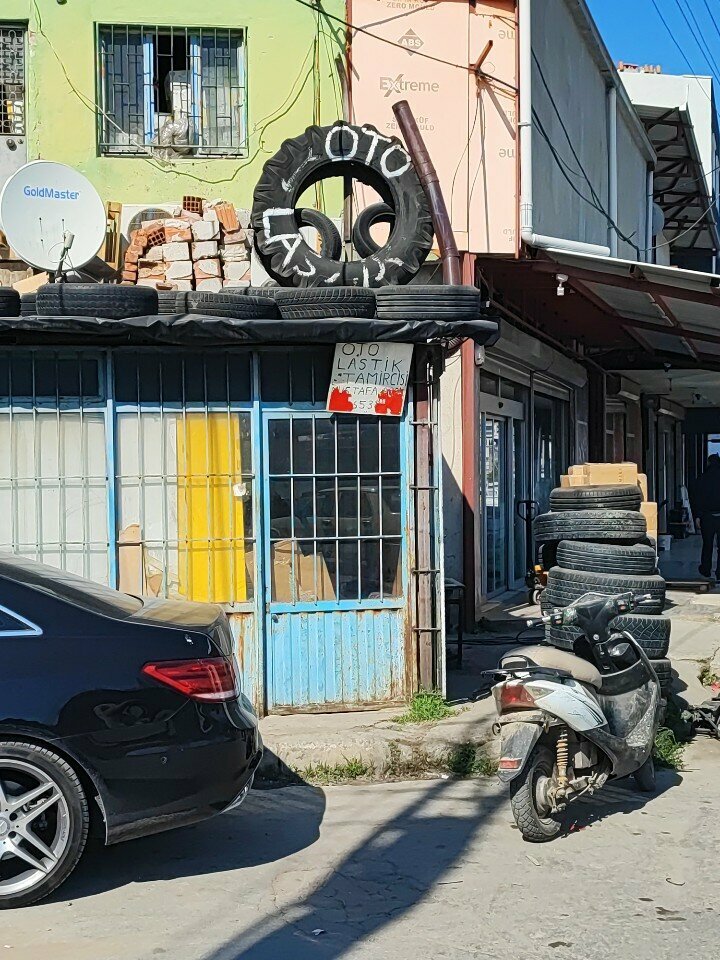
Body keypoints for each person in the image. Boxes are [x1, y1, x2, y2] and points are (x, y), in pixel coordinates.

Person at [692, 454, 720, 579]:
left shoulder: (702, 478)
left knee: (707, 545)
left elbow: (697, 498)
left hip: (707, 516)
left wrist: (698, 516)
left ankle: (706, 569)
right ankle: (719, 572)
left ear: (708, 463)